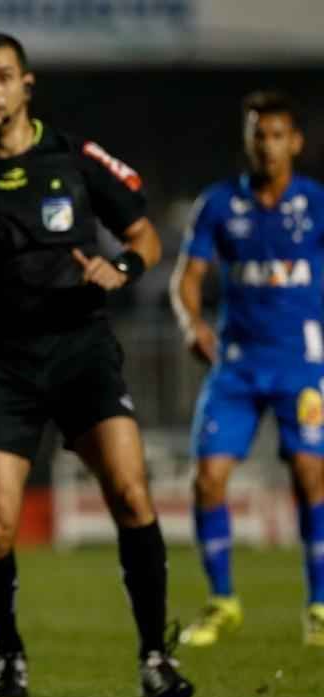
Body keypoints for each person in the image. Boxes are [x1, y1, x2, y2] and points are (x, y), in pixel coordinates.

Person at [0, 32, 193, 697]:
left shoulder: (78, 162)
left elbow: (143, 235)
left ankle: (155, 655)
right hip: (4, 366)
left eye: (3, 77)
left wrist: (121, 268)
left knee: (131, 495)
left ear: (27, 84)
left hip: (83, 351)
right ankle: (8, 655)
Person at [171, 91, 324, 648]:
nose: (267, 144)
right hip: (235, 365)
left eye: (278, 134)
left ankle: (320, 606)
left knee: (311, 474)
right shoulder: (219, 205)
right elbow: (186, 279)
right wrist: (192, 323)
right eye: (258, 133)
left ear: (296, 142)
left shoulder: (317, 205)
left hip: (301, 365)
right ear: (247, 139)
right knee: (208, 478)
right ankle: (222, 602)